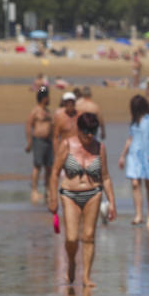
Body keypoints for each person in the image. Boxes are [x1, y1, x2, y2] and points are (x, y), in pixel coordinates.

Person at [48, 112, 117, 287]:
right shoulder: (67, 145)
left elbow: (106, 177)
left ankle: (86, 276)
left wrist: (112, 204)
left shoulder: (99, 148)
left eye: (93, 130)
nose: (90, 135)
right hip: (69, 194)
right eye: (86, 131)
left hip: (93, 193)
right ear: (78, 129)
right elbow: (55, 173)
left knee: (88, 236)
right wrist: (53, 198)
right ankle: (72, 262)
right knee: (71, 238)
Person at [119, 94, 149, 225]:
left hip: (148, 155)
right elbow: (130, 139)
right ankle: (138, 215)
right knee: (135, 184)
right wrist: (122, 156)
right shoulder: (133, 121)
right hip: (134, 156)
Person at [27, 87, 55, 203]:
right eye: (48, 96)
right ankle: (34, 190)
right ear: (44, 98)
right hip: (38, 140)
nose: (49, 99)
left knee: (49, 167)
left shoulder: (48, 112)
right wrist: (29, 141)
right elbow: (29, 125)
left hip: (49, 141)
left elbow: (52, 127)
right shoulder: (35, 111)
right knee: (37, 166)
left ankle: (48, 190)